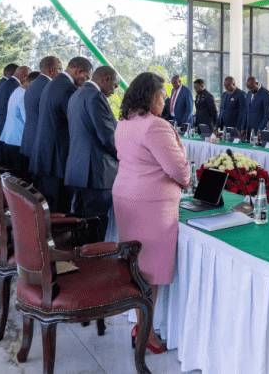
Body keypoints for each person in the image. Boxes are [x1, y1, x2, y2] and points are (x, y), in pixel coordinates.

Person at [112, 72, 191, 354]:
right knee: (149, 272)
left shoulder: (125, 123)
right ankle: (146, 333)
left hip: (126, 196)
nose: (166, 99)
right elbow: (178, 169)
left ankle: (141, 325)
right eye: (162, 95)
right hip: (151, 204)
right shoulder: (155, 126)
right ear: (150, 97)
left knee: (138, 268)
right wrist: (187, 167)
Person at [29, 57, 93, 214]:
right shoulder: (68, 89)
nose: (85, 81)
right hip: (57, 157)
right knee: (59, 206)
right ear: (79, 71)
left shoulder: (54, 83)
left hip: (45, 152)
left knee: (47, 204)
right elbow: (78, 123)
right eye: (87, 77)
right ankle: (59, 238)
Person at [64, 66, 120, 243]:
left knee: (82, 224)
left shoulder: (77, 94)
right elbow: (107, 137)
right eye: (114, 86)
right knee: (97, 225)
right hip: (96, 172)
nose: (114, 91)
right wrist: (126, 157)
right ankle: (95, 265)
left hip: (78, 168)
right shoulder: (96, 97)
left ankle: (81, 261)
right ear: (106, 80)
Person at [20, 56, 63, 167]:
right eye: (60, 69)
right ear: (52, 71)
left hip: (28, 138)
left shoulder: (31, 85)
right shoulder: (49, 87)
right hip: (40, 142)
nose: (62, 73)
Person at [0, 71, 39, 177]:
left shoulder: (17, 91)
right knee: (23, 180)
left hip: (9, 139)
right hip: (18, 142)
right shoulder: (24, 94)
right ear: (34, 83)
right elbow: (28, 120)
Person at [0, 65, 31, 161]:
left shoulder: (4, 83)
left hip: (1, 128)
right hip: (8, 131)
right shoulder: (16, 87)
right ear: (24, 76)